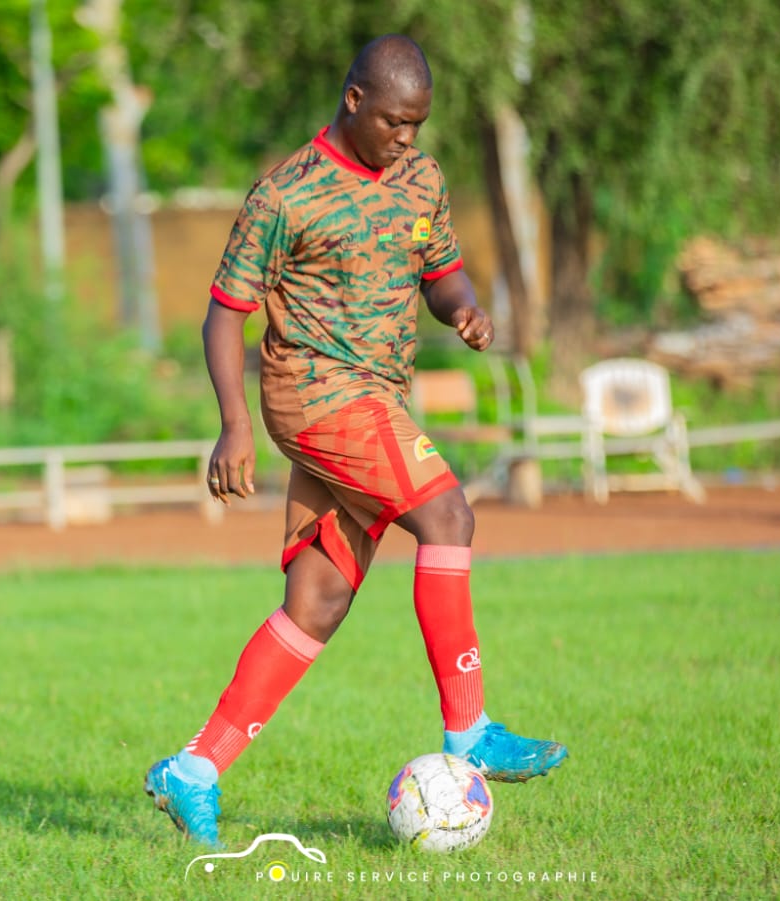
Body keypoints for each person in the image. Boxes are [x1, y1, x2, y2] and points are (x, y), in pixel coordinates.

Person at [143, 34, 567, 848]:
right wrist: (234, 421)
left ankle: (192, 769)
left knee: (320, 600)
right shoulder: (286, 194)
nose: (408, 137)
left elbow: (442, 270)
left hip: (375, 400)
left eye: (420, 123)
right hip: (313, 393)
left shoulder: (421, 178)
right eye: (397, 122)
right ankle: (470, 733)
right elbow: (224, 312)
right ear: (354, 101)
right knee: (448, 517)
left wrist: (463, 308)